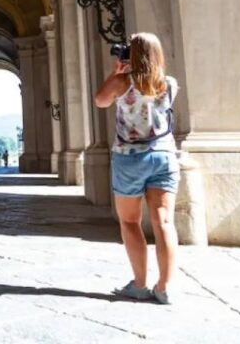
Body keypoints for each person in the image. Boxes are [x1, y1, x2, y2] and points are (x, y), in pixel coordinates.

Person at [94, 32, 179, 305]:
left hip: (129, 158)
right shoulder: (169, 83)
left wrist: (115, 73)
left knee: (130, 221)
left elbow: (100, 101)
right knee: (164, 221)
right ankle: (164, 286)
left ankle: (140, 284)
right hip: (163, 156)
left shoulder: (121, 82)